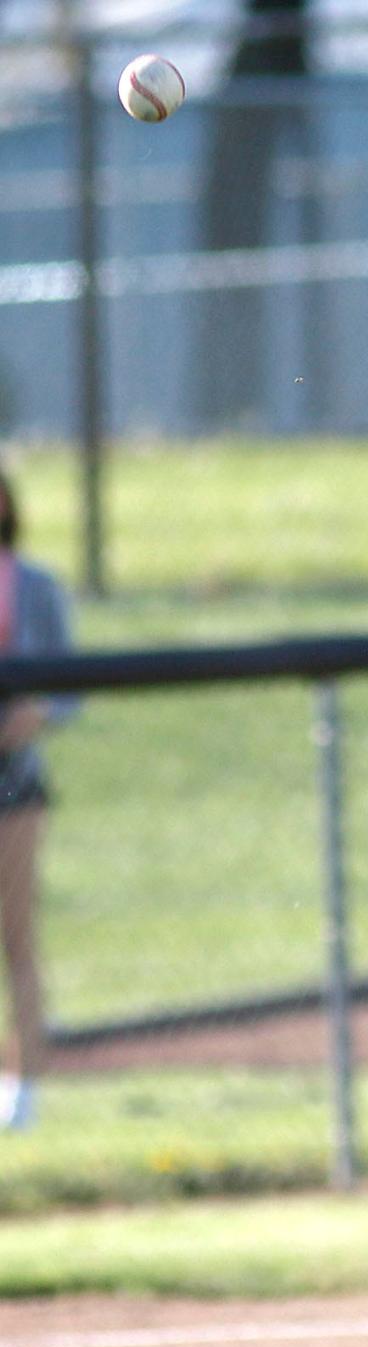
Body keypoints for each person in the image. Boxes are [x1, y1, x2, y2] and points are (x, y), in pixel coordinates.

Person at [0, 468, 79, 1131]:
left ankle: (24, 1085)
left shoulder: (34, 586)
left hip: (13, 783)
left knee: (17, 936)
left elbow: (69, 686)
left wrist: (38, 715)